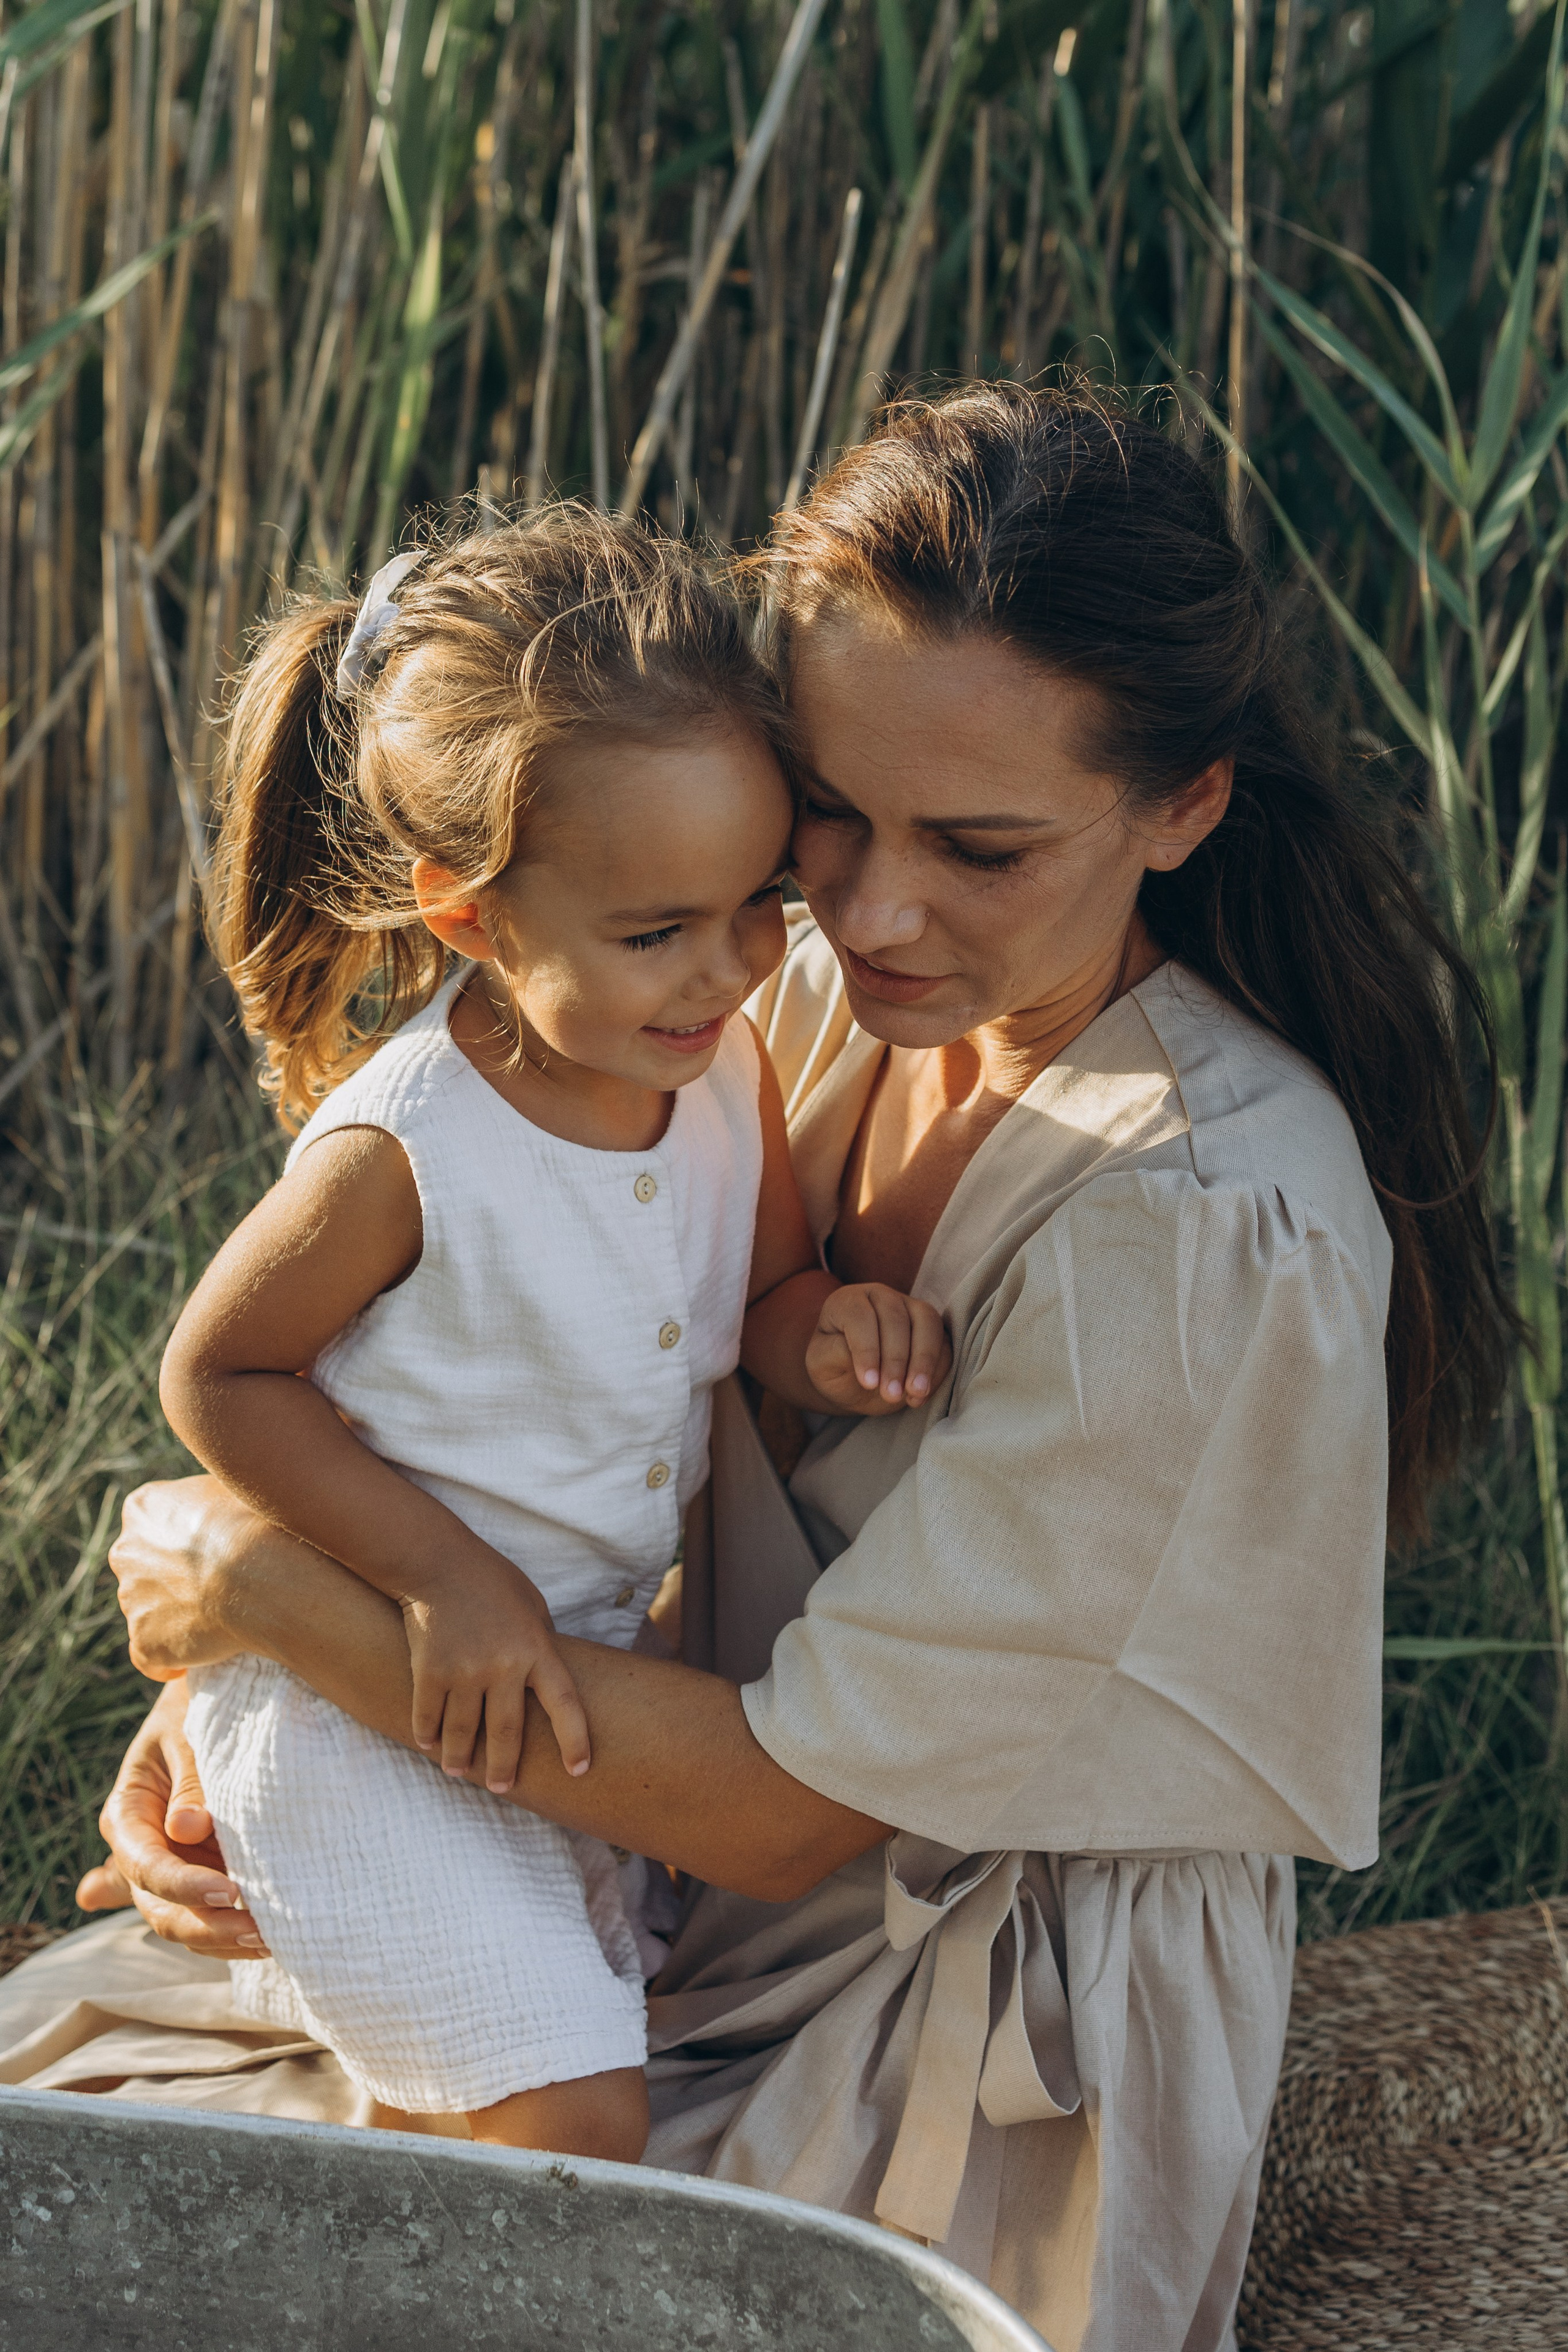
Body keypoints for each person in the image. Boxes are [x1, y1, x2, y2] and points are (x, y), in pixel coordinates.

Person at [0, 385, 1509, 2352]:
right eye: (829, 814)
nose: (867, 912)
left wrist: (258, 1597)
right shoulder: (775, 987)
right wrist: (249, 1722)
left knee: (348, 2272)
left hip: (956, 2008)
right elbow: (466, 1356)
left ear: (1183, 806)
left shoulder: (1199, 1230)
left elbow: (794, 1811)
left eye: (979, 846)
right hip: (634, 1823)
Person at [146, 508, 948, 2160]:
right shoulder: (410, 1150)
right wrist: (448, 1579)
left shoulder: (716, 1065)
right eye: (654, 934)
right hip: (360, 1696)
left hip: (564, 1695)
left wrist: (829, 1335)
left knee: (482, 2112)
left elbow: (762, 1298)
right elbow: (218, 1375)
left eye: (757, 903)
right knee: (571, 2117)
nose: (725, 970)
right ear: (468, 918)